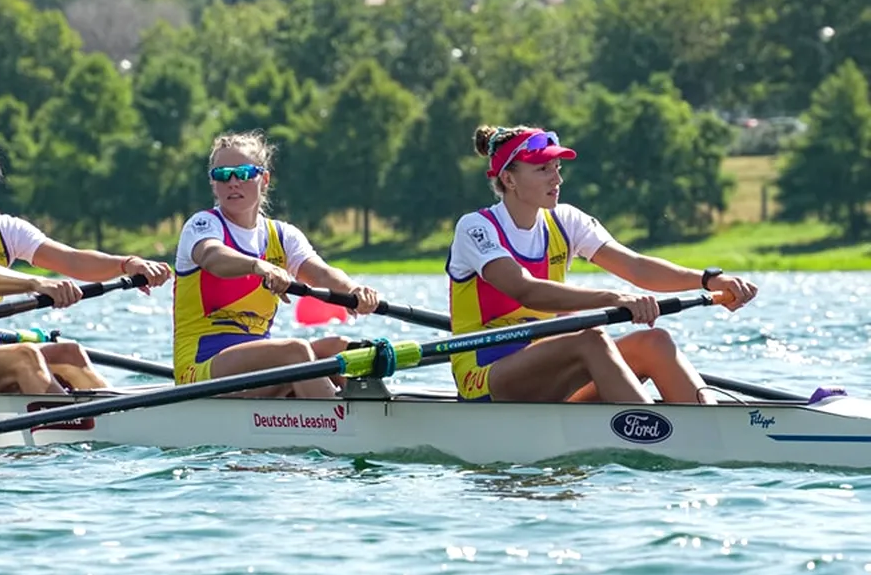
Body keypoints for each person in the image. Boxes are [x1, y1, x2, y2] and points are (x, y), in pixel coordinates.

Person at [446, 124, 759, 404]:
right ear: (509, 179)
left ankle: (708, 428)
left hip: (551, 364)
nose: (557, 178)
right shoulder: (476, 228)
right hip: (485, 371)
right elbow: (524, 290)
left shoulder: (565, 220)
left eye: (557, 167)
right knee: (593, 338)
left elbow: (636, 267)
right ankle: (657, 433)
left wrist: (708, 280)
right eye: (543, 169)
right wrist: (612, 298)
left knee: (654, 342)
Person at [0, 113, 171, 395]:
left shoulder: (4, 228)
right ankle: (68, 428)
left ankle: (115, 422)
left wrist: (127, 264)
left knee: (69, 353)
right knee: (25, 357)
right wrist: (36, 283)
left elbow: (71, 260)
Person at [172, 130, 381, 398]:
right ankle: (342, 422)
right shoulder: (202, 225)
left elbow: (321, 273)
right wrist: (259, 267)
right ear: (213, 184)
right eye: (222, 175)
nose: (233, 182)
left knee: (342, 349)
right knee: (295, 352)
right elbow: (212, 257)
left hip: (255, 366)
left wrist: (354, 290)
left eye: (244, 173)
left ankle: (359, 408)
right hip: (201, 368)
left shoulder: (282, 236)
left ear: (265, 179)